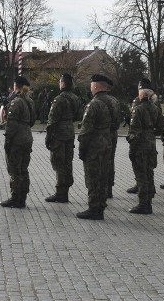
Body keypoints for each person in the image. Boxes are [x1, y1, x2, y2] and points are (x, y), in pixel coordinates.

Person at [76, 74, 115, 220]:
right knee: (103, 176)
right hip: (107, 142)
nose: (90, 88)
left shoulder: (93, 104)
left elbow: (86, 129)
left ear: (97, 86)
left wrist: (82, 147)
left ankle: (93, 208)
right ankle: (101, 207)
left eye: (91, 86)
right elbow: (116, 123)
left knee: (92, 177)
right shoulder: (114, 102)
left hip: (94, 145)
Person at [125, 79, 163, 214]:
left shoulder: (138, 109)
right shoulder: (156, 108)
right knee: (149, 173)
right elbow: (160, 127)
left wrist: (132, 147)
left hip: (140, 144)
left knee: (141, 176)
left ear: (142, 94)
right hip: (151, 143)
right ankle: (149, 202)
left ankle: (143, 204)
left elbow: (134, 131)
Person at [44, 73, 81, 204]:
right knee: (67, 162)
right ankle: (65, 191)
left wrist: (48, 137)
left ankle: (60, 193)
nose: (59, 84)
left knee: (58, 162)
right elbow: (78, 115)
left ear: (63, 83)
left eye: (60, 82)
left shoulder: (59, 99)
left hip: (59, 133)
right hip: (70, 132)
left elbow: (52, 119)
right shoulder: (76, 98)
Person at [1, 76, 36, 209]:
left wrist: (8, 141)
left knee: (14, 169)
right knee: (23, 168)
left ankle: (16, 198)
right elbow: (33, 120)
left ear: (17, 86)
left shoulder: (16, 102)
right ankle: (22, 197)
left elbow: (11, 124)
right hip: (27, 137)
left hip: (17, 139)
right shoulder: (30, 101)